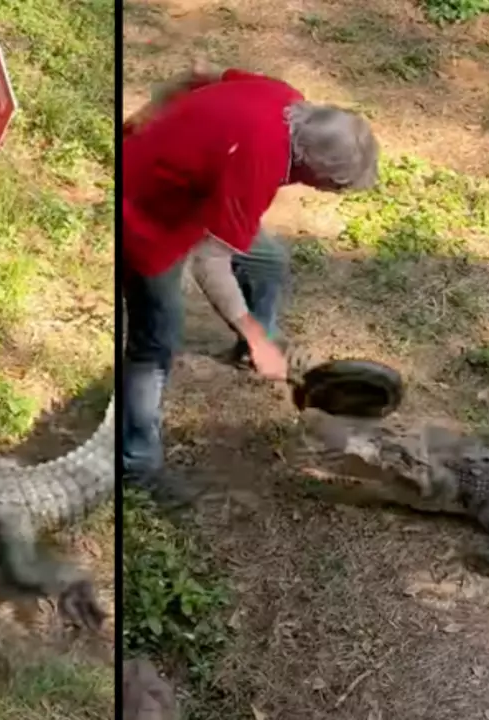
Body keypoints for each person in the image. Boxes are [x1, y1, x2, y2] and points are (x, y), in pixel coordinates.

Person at [121, 66, 380, 504]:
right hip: (145, 213)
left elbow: (197, 75)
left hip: (197, 188)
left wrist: (153, 109)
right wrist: (254, 334)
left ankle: (252, 351)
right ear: (311, 169)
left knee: (266, 259)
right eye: (332, 187)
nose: (327, 194)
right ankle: (137, 465)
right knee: (154, 345)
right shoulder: (258, 163)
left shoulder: (285, 96)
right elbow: (209, 263)